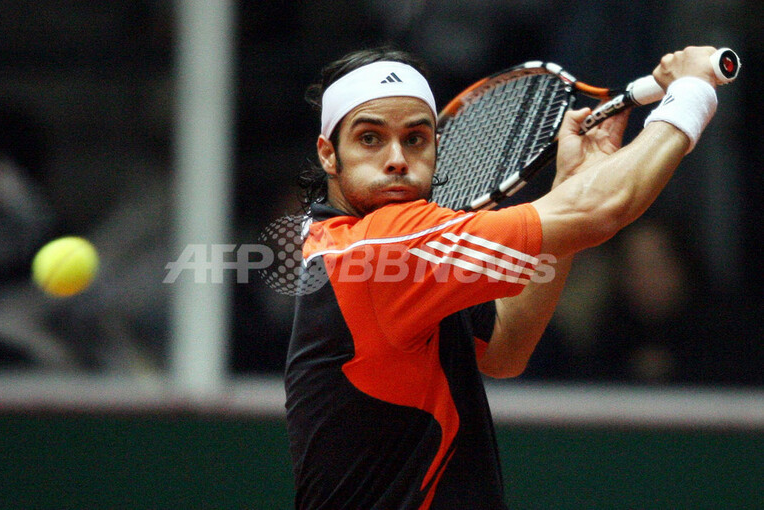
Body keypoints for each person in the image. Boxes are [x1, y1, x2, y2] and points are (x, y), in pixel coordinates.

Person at [284, 45, 721, 509]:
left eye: (415, 139)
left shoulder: (358, 247)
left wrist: (568, 182)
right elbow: (600, 210)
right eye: (370, 138)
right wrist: (692, 92)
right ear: (329, 154)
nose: (397, 159)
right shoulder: (381, 246)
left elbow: (505, 348)